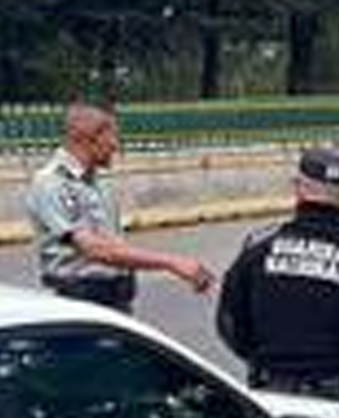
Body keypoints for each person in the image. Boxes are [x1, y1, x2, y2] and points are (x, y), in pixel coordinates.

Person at [216, 148, 339, 416]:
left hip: (271, 395)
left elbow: (229, 321)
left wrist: (260, 359)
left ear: (297, 189)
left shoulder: (258, 248)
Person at [23, 102, 213, 312]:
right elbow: (95, 249)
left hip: (114, 298)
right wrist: (172, 263)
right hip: (79, 300)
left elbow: (113, 244)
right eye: (111, 137)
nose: (115, 146)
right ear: (88, 139)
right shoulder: (52, 183)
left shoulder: (99, 180)